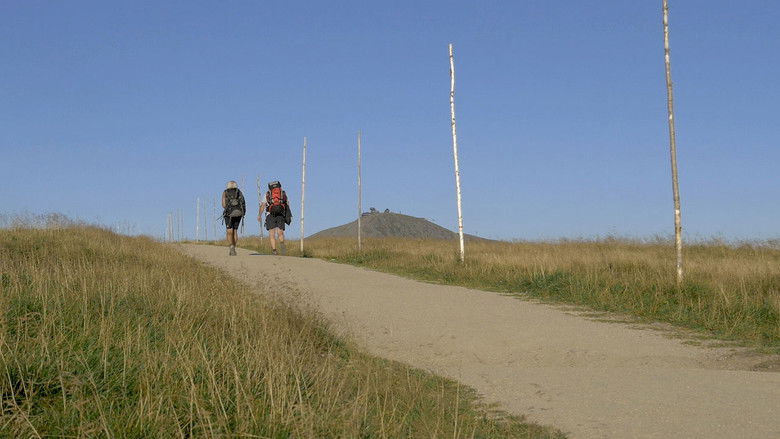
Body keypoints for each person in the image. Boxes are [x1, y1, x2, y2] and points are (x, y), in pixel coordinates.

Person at [259, 180, 291, 255]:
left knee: (272, 234)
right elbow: (287, 204)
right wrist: (288, 214)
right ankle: (282, 245)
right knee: (280, 232)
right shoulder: (282, 193)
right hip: (280, 214)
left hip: (269, 214)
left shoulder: (267, 194)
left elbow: (263, 205)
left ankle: (274, 250)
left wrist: (259, 215)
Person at [222, 180, 246, 256]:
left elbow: (223, 205)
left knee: (229, 231)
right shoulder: (239, 192)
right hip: (238, 213)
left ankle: (231, 247)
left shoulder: (225, 192)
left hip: (228, 214)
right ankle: (234, 248)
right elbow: (243, 202)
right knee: (235, 231)